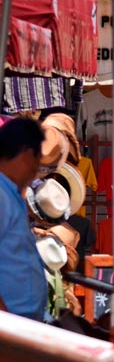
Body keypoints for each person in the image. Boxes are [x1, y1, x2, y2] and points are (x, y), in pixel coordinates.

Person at [0, 118, 47, 320]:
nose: (35, 169)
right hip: (9, 328)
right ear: (28, 155)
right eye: (38, 160)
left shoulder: (9, 193)